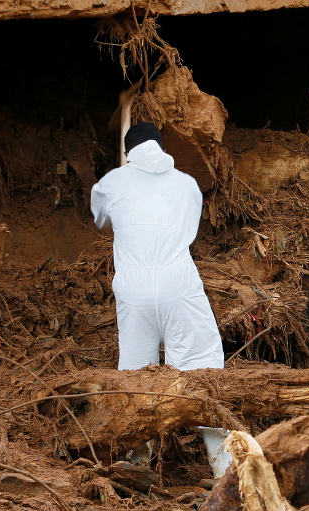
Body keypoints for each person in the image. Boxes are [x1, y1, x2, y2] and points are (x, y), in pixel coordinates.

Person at [90, 122, 225, 371]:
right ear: (160, 149)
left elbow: (99, 217)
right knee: (199, 367)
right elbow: (190, 226)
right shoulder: (187, 184)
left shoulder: (111, 184)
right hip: (177, 282)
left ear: (128, 154)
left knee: (136, 374)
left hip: (133, 289)